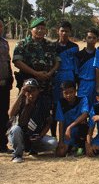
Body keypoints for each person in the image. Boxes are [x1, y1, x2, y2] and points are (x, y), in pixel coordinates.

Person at [7, 79, 57, 162]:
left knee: (53, 143)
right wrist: (21, 94)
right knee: (15, 129)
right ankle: (18, 155)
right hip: (19, 135)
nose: (31, 94)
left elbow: (48, 123)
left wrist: (40, 136)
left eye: (33, 91)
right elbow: (11, 113)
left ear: (38, 90)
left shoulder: (43, 101)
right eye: (28, 91)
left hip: (35, 135)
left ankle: (32, 149)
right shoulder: (22, 100)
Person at [13, 18, 60, 97]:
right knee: (26, 108)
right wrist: (36, 73)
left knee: (44, 108)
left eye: (42, 28)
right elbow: (17, 62)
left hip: (46, 87)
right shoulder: (22, 44)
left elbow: (57, 62)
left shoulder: (50, 45)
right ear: (31, 30)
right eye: (37, 28)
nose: (40, 31)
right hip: (28, 87)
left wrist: (49, 74)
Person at [55, 81, 90, 157]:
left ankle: (81, 146)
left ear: (75, 91)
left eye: (71, 92)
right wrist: (61, 141)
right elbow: (61, 122)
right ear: (62, 93)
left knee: (83, 121)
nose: (68, 95)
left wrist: (70, 127)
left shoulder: (82, 99)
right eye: (66, 93)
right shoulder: (60, 103)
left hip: (78, 129)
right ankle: (74, 144)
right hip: (68, 133)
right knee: (61, 153)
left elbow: (85, 114)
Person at [52, 21, 79, 106]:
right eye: (62, 31)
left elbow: (76, 64)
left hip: (69, 75)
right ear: (58, 31)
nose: (64, 33)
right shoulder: (52, 46)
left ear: (70, 32)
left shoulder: (74, 47)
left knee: (68, 99)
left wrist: (76, 80)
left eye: (66, 31)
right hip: (56, 75)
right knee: (55, 101)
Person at [76, 28, 99, 107]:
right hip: (83, 84)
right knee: (83, 108)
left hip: (95, 84)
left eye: (94, 38)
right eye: (89, 37)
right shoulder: (79, 55)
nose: (91, 40)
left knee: (94, 108)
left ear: (97, 39)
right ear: (85, 38)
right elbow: (76, 72)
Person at [0, 18, 14, 152]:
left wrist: (10, 77)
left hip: (3, 85)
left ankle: (2, 144)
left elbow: (7, 62)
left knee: (4, 114)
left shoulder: (5, 43)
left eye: (0, 26)